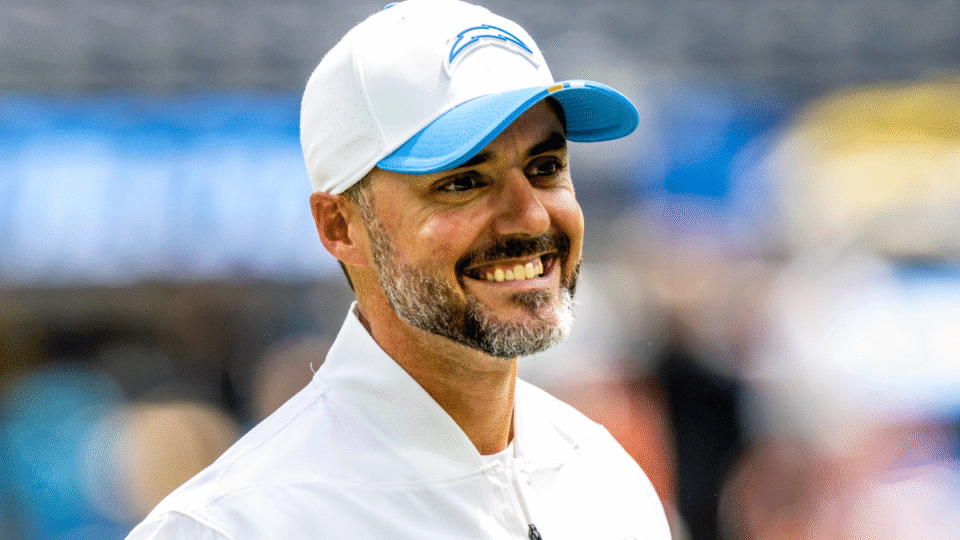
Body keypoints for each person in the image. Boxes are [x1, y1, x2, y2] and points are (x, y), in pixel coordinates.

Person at [125, 1, 671, 538]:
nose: (529, 216)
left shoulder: (606, 480)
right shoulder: (231, 524)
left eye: (546, 167)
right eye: (463, 182)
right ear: (339, 226)